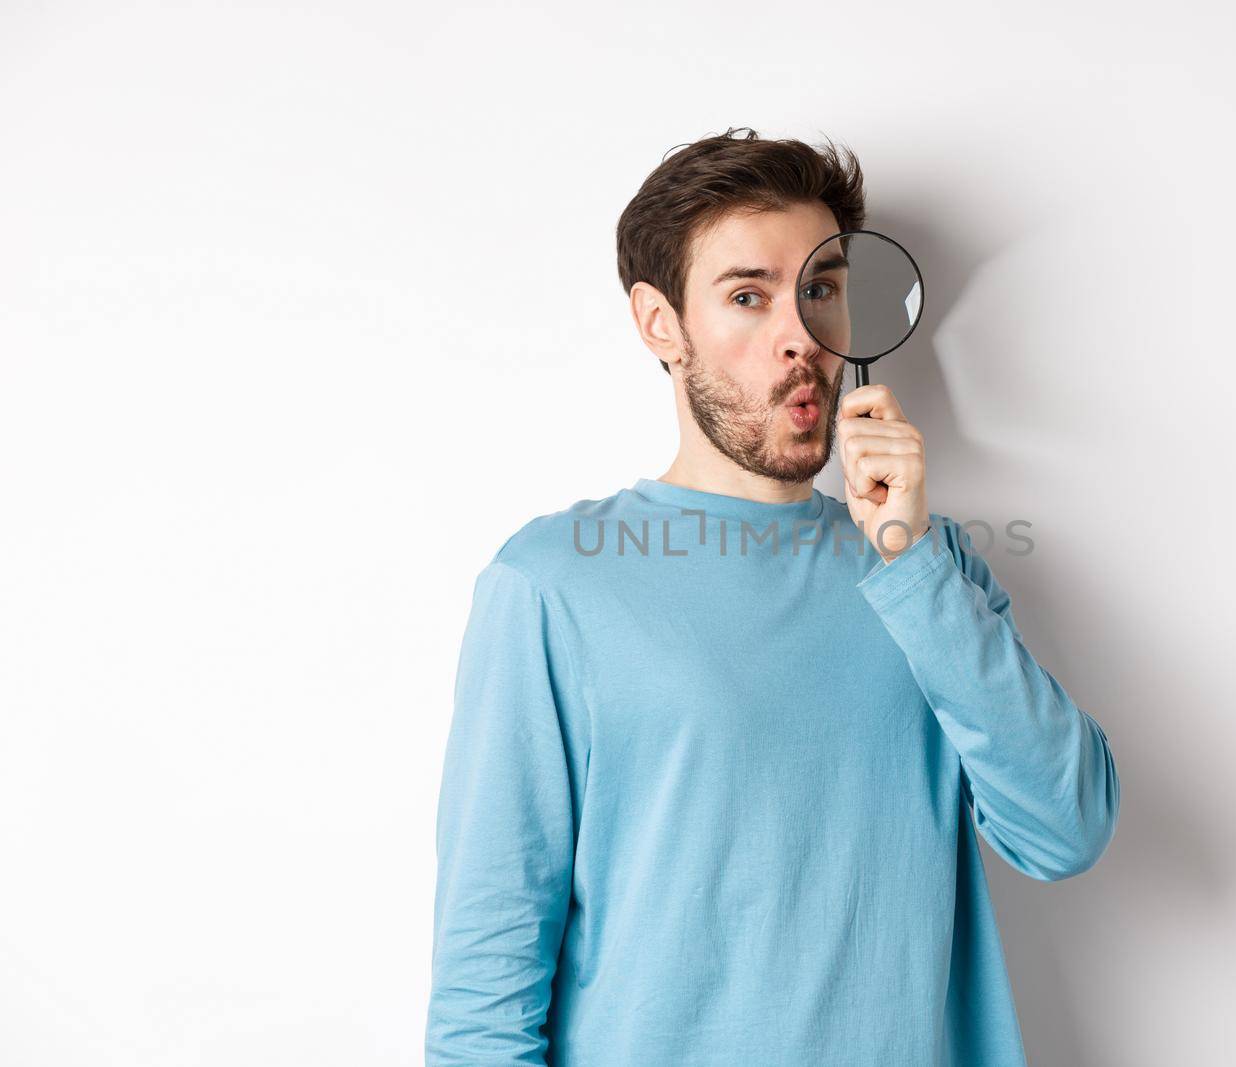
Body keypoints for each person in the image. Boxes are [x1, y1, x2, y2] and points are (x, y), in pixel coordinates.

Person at [424, 127, 1120, 1066]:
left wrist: (908, 558)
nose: (801, 335)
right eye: (749, 296)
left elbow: (1065, 828)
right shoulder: (553, 583)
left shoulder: (926, 567)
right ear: (660, 323)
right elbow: (485, 986)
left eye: (822, 291)